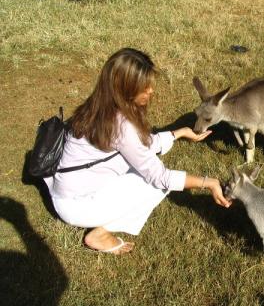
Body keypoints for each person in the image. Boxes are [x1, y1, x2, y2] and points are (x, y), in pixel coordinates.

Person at [44, 48, 231, 255]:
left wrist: (179, 133)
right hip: (75, 206)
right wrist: (209, 182)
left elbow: (140, 145)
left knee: (144, 171)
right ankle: (100, 234)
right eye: (145, 87)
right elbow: (160, 177)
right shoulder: (121, 125)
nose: (151, 91)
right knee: (154, 185)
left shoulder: (101, 106)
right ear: (125, 89)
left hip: (66, 191)